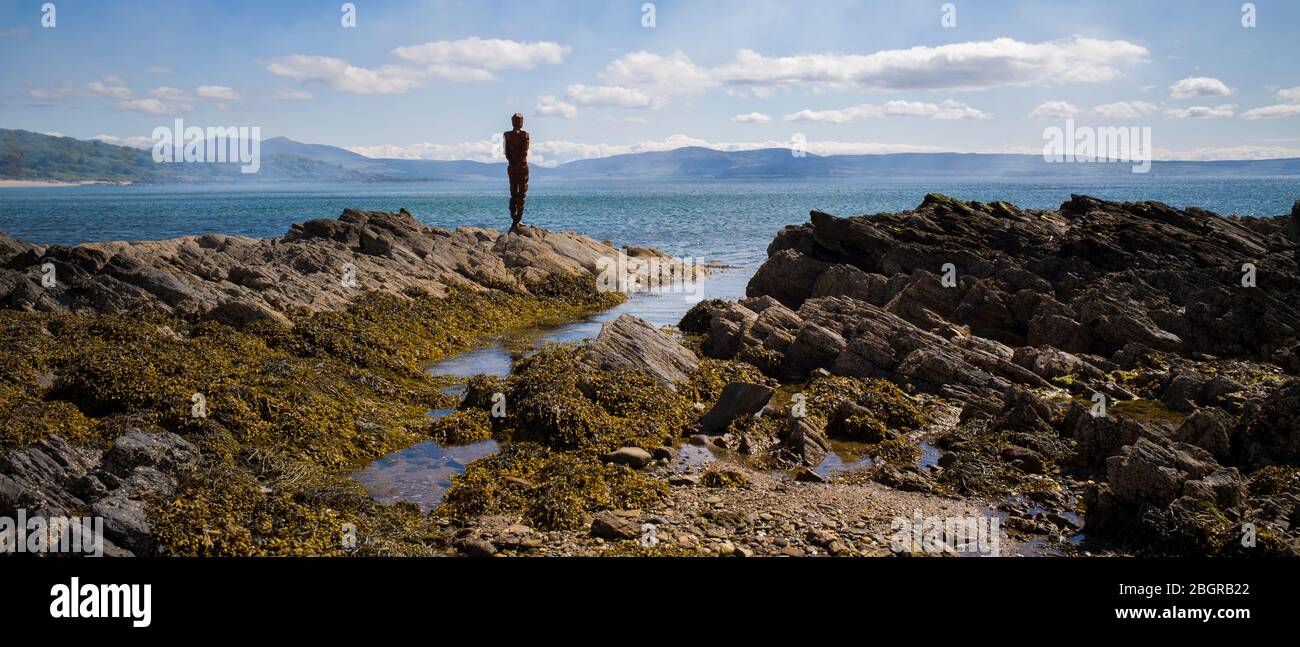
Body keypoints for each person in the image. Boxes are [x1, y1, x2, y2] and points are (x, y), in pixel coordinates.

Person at [503, 113, 530, 232]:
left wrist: (513, 163)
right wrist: (517, 163)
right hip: (521, 168)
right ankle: (516, 220)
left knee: (515, 194)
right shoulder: (525, 135)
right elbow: (524, 152)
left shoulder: (507, 135)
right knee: (520, 194)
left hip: (514, 167)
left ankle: (516, 220)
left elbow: (507, 152)